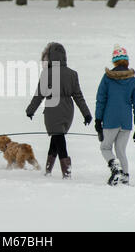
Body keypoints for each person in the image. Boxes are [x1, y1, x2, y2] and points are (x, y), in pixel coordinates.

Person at [26, 42, 92, 179]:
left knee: (59, 139)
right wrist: (86, 113)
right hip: (68, 111)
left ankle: (66, 173)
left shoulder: (46, 74)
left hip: (52, 110)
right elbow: (78, 96)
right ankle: (48, 170)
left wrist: (30, 110)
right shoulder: (72, 74)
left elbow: (39, 95)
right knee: (57, 137)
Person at [95, 44, 135, 186]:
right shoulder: (133, 80)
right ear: (126, 61)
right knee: (121, 150)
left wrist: (98, 120)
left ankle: (115, 168)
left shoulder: (107, 78)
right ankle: (125, 176)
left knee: (105, 147)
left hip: (111, 120)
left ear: (115, 61)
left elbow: (101, 100)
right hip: (126, 122)